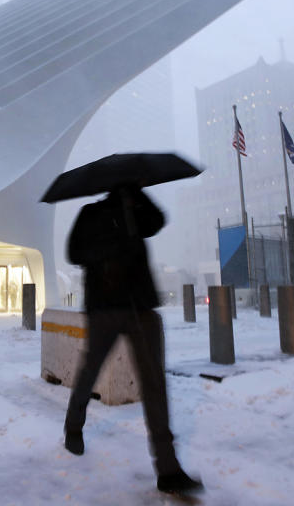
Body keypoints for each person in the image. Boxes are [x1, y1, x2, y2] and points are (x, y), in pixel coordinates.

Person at [63, 184, 203, 495]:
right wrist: (106, 252)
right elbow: (73, 252)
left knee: (154, 384)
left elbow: (158, 221)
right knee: (91, 370)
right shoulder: (91, 213)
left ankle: (168, 469)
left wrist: (137, 198)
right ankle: (74, 423)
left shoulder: (136, 210)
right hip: (104, 307)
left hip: (141, 305)